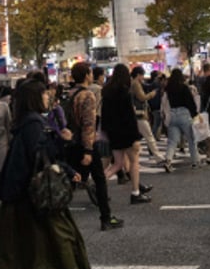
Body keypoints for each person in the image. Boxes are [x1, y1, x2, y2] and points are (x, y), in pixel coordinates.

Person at [0, 79, 91, 269]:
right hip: (32, 193)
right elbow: (41, 154)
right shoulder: (34, 123)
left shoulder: (27, 120)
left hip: (20, 192)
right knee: (55, 238)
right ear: (34, 97)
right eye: (44, 94)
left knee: (20, 246)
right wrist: (62, 142)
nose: (47, 96)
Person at [65, 64, 122, 229]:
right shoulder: (87, 95)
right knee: (99, 179)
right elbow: (89, 124)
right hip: (86, 144)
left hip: (71, 142)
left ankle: (54, 218)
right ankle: (106, 218)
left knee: (70, 180)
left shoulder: (69, 94)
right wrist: (89, 150)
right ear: (86, 75)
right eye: (89, 72)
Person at [101, 64, 152, 204]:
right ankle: (135, 192)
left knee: (118, 164)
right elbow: (129, 116)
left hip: (114, 133)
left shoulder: (106, 93)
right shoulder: (125, 93)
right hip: (127, 132)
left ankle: (98, 185)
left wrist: (106, 132)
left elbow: (105, 116)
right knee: (134, 161)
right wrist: (136, 136)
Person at [161, 67, 199, 176]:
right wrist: (195, 114)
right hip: (184, 114)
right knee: (191, 139)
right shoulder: (184, 87)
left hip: (173, 114)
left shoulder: (169, 89)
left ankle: (168, 160)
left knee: (172, 141)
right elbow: (190, 102)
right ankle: (195, 162)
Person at [129, 66, 161, 160]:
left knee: (136, 138)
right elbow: (142, 97)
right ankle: (159, 158)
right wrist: (152, 94)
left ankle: (132, 159)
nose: (143, 77)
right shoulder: (135, 84)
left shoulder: (134, 83)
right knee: (149, 136)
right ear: (138, 75)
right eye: (142, 75)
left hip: (135, 114)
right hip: (139, 114)